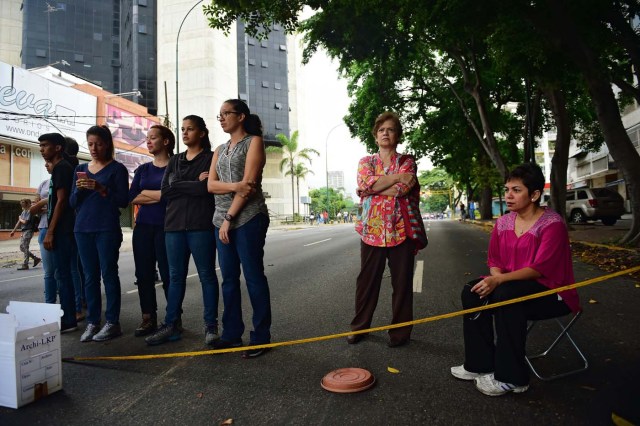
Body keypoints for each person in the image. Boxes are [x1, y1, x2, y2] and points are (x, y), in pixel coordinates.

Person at [450, 162, 580, 396]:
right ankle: (480, 365)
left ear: (535, 194)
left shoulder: (552, 224)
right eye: (507, 189)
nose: (508, 195)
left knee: (506, 297)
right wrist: (495, 279)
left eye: (516, 190)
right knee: (472, 291)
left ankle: (512, 378)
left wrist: (499, 282)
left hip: (552, 293)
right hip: (510, 286)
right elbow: (494, 261)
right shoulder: (503, 222)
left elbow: (539, 269)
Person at [145, 115, 219, 347]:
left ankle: (211, 327)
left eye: (190, 129)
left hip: (201, 226)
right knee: (175, 277)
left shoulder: (210, 158)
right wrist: (193, 184)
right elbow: (166, 191)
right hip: (174, 226)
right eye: (183, 129)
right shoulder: (175, 160)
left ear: (202, 133)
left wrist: (182, 184)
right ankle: (171, 325)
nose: (185, 133)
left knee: (207, 275)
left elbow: (207, 189)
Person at [207, 99, 271, 358]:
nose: (221, 118)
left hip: (247, 219)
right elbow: (210, 185)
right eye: (219, 115)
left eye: (226, 113)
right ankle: (232, 334)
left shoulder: (254, 142)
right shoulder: (219, 149)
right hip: (220, 220)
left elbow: (250, 185)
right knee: (229, 280)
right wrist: (233, 187)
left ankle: (261, 337)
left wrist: (229, 217)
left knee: (254, 277)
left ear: (241, 116)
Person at [349, 111, 419, 348]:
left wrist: (373, 189)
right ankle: (359, 328)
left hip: (401, 230)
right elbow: (366, 183)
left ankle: (400, 334)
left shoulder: (408, 161)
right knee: (366, 281)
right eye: (381, 130)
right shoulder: (365, 162)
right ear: (375, 136)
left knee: (402, 283)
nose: (385, 133)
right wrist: (396, 178)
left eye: (390, 129)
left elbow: (402, 190)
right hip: (372, 229)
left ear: (397, 135)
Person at [71, 125, 129, 342]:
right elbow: (71, 202)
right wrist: (79, 189)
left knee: (109, 275)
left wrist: (101, 189)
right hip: (82, 228)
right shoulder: (80, 169)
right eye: (90, 144)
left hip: (106, 229)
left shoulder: (117, 169)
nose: (94, 148)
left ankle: (113, 322)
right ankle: (93, 322)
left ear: (107, 145)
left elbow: (123, 201)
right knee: (89, 277)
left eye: (99, 144)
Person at [129, 125, 174, 337]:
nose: (148, 141)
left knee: (168, 274)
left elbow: (174, 194)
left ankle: (173, 318)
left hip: (168, 226)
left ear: (165, 141)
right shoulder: (143, 170)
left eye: (152, 138)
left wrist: (147, 193)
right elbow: (131, 197)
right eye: (147, 138)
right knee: (144, 274)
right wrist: (160, 194)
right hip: (143, 227)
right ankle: (148, 317)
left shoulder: (176, 167)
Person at [38, 133, 79, 332]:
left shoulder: (62, 168)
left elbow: (61, 201)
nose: (41, 149)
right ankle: (69, 316)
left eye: (45, 145)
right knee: (62, 274)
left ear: (58, 148)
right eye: (40, 146)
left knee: (62, 275)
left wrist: (50, 231)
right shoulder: (59, 169)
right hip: (63, 230)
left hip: (62, 230)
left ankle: (68, 318)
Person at [30, 163, 55, 302]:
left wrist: (45, 202)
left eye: (49, 162)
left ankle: (73, 307)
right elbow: (33, 209)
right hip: (44, 227)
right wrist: (41, 205)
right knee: (49, 271)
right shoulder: (44, 184)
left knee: (65, 271)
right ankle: (49, 303)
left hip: (62, 229)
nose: (46, 164)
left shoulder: (66, 180)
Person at [10, 199, 40, 270]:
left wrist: (20, 219)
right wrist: (13, 231)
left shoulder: (30, 211)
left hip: (29, 230)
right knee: (22, 247)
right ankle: (35, 258)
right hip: (24, 231)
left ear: (27, 203)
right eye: (21, 202)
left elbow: (25, 222)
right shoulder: (24, 211)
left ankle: (25, 264)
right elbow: (19, 222)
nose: (21, 203)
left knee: (25, 246)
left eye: (23, 202)